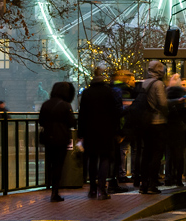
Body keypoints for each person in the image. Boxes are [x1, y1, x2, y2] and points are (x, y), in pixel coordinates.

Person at [78, 67, 123, 199]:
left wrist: (81, 134)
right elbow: (115, 113)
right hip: (106, 131)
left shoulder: (87, 93)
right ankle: (102, 189)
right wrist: (117, 131)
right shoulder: (109, 92)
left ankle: (92, 189)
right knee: (105, 158)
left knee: (92, 159)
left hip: (90, 131)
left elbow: (82, 115)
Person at [38, 81, 76, 202]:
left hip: (48, 138)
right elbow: (72, 123)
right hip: (61, 138)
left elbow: (41, 121)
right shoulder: (66, 105)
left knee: (51, 163)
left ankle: (50, 187)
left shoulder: (46, 104)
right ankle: (55, 191)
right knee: (58, 165)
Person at [136, 60, 170, 194]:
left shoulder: (145, 83)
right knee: (157, 153)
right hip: (158, 122)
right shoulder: (158, 84)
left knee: (146, 153)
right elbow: (162, 103)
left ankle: (143, 184)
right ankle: (152, 183)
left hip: (146, 123)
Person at [164, 73, 186, 187]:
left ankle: (168, 177)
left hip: (168, 128)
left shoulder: (165, 94)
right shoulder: (183, 95)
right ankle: (178, 179)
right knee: (179, 155)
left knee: (169, 154)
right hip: (180, 128)